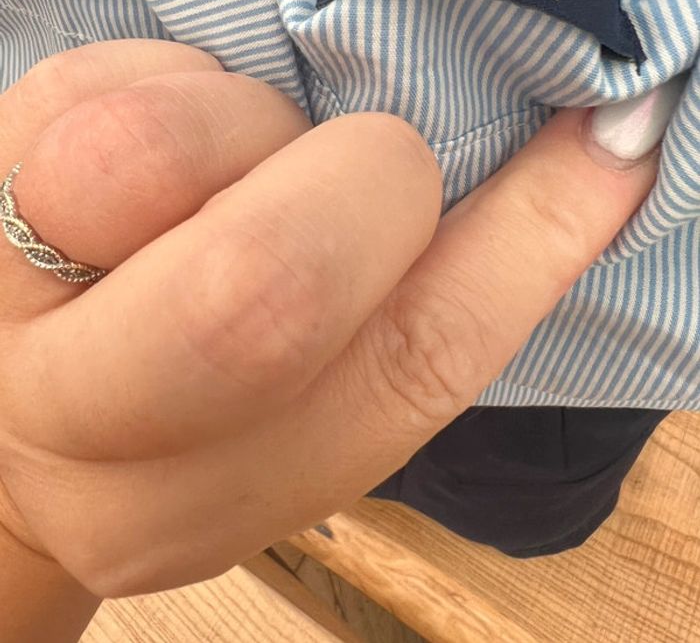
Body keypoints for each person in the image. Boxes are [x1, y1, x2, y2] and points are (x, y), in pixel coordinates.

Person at [0, 37, 671, 642]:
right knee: (523, 505)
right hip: (121, 354)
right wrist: (18, 523)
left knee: (518, 500)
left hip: (119, 326)